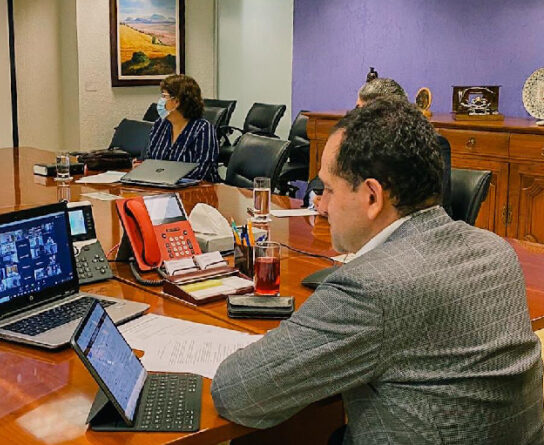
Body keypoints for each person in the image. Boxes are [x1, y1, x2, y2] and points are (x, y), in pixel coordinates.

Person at [211, 98, 544, 444]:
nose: (321, 206)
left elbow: (237, 393)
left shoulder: (371, 288)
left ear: (372, 196)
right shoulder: (495, 251)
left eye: (327, 189)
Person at [304, 77, 452, 217]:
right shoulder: (354, 141)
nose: (358, 120)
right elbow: (322, 178)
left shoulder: (426, 144)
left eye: (367, 115)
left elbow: (425, 205)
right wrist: (317, 197)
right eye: (358, 111)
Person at [143, 74, 219, 182]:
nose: (161, 101)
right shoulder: (160, 124)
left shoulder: (202, 129)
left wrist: (167, 178)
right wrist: (143, 169)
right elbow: (150, 160)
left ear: (177, 102)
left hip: (196, 191)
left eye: (164, 96)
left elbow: (201, 170)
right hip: (162, 186)